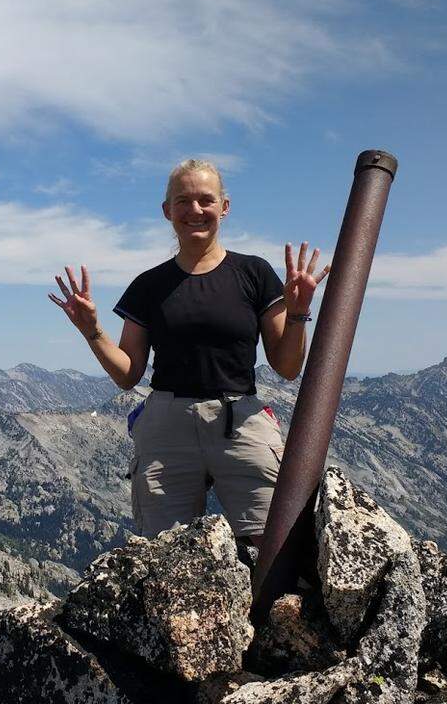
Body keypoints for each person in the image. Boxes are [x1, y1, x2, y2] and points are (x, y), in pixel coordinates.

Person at [48, 159, 328, 547]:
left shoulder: (254, 274)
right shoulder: (149, 285)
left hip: (240, 419)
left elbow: (287, 366)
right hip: (168, 424)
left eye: (205, 200)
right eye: (183, 201)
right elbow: (129, 374)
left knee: (274, 546)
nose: (195, 210)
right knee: (165, 556)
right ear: (167, 211)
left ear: (224, 207)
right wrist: (92, 331)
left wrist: (297, 312)